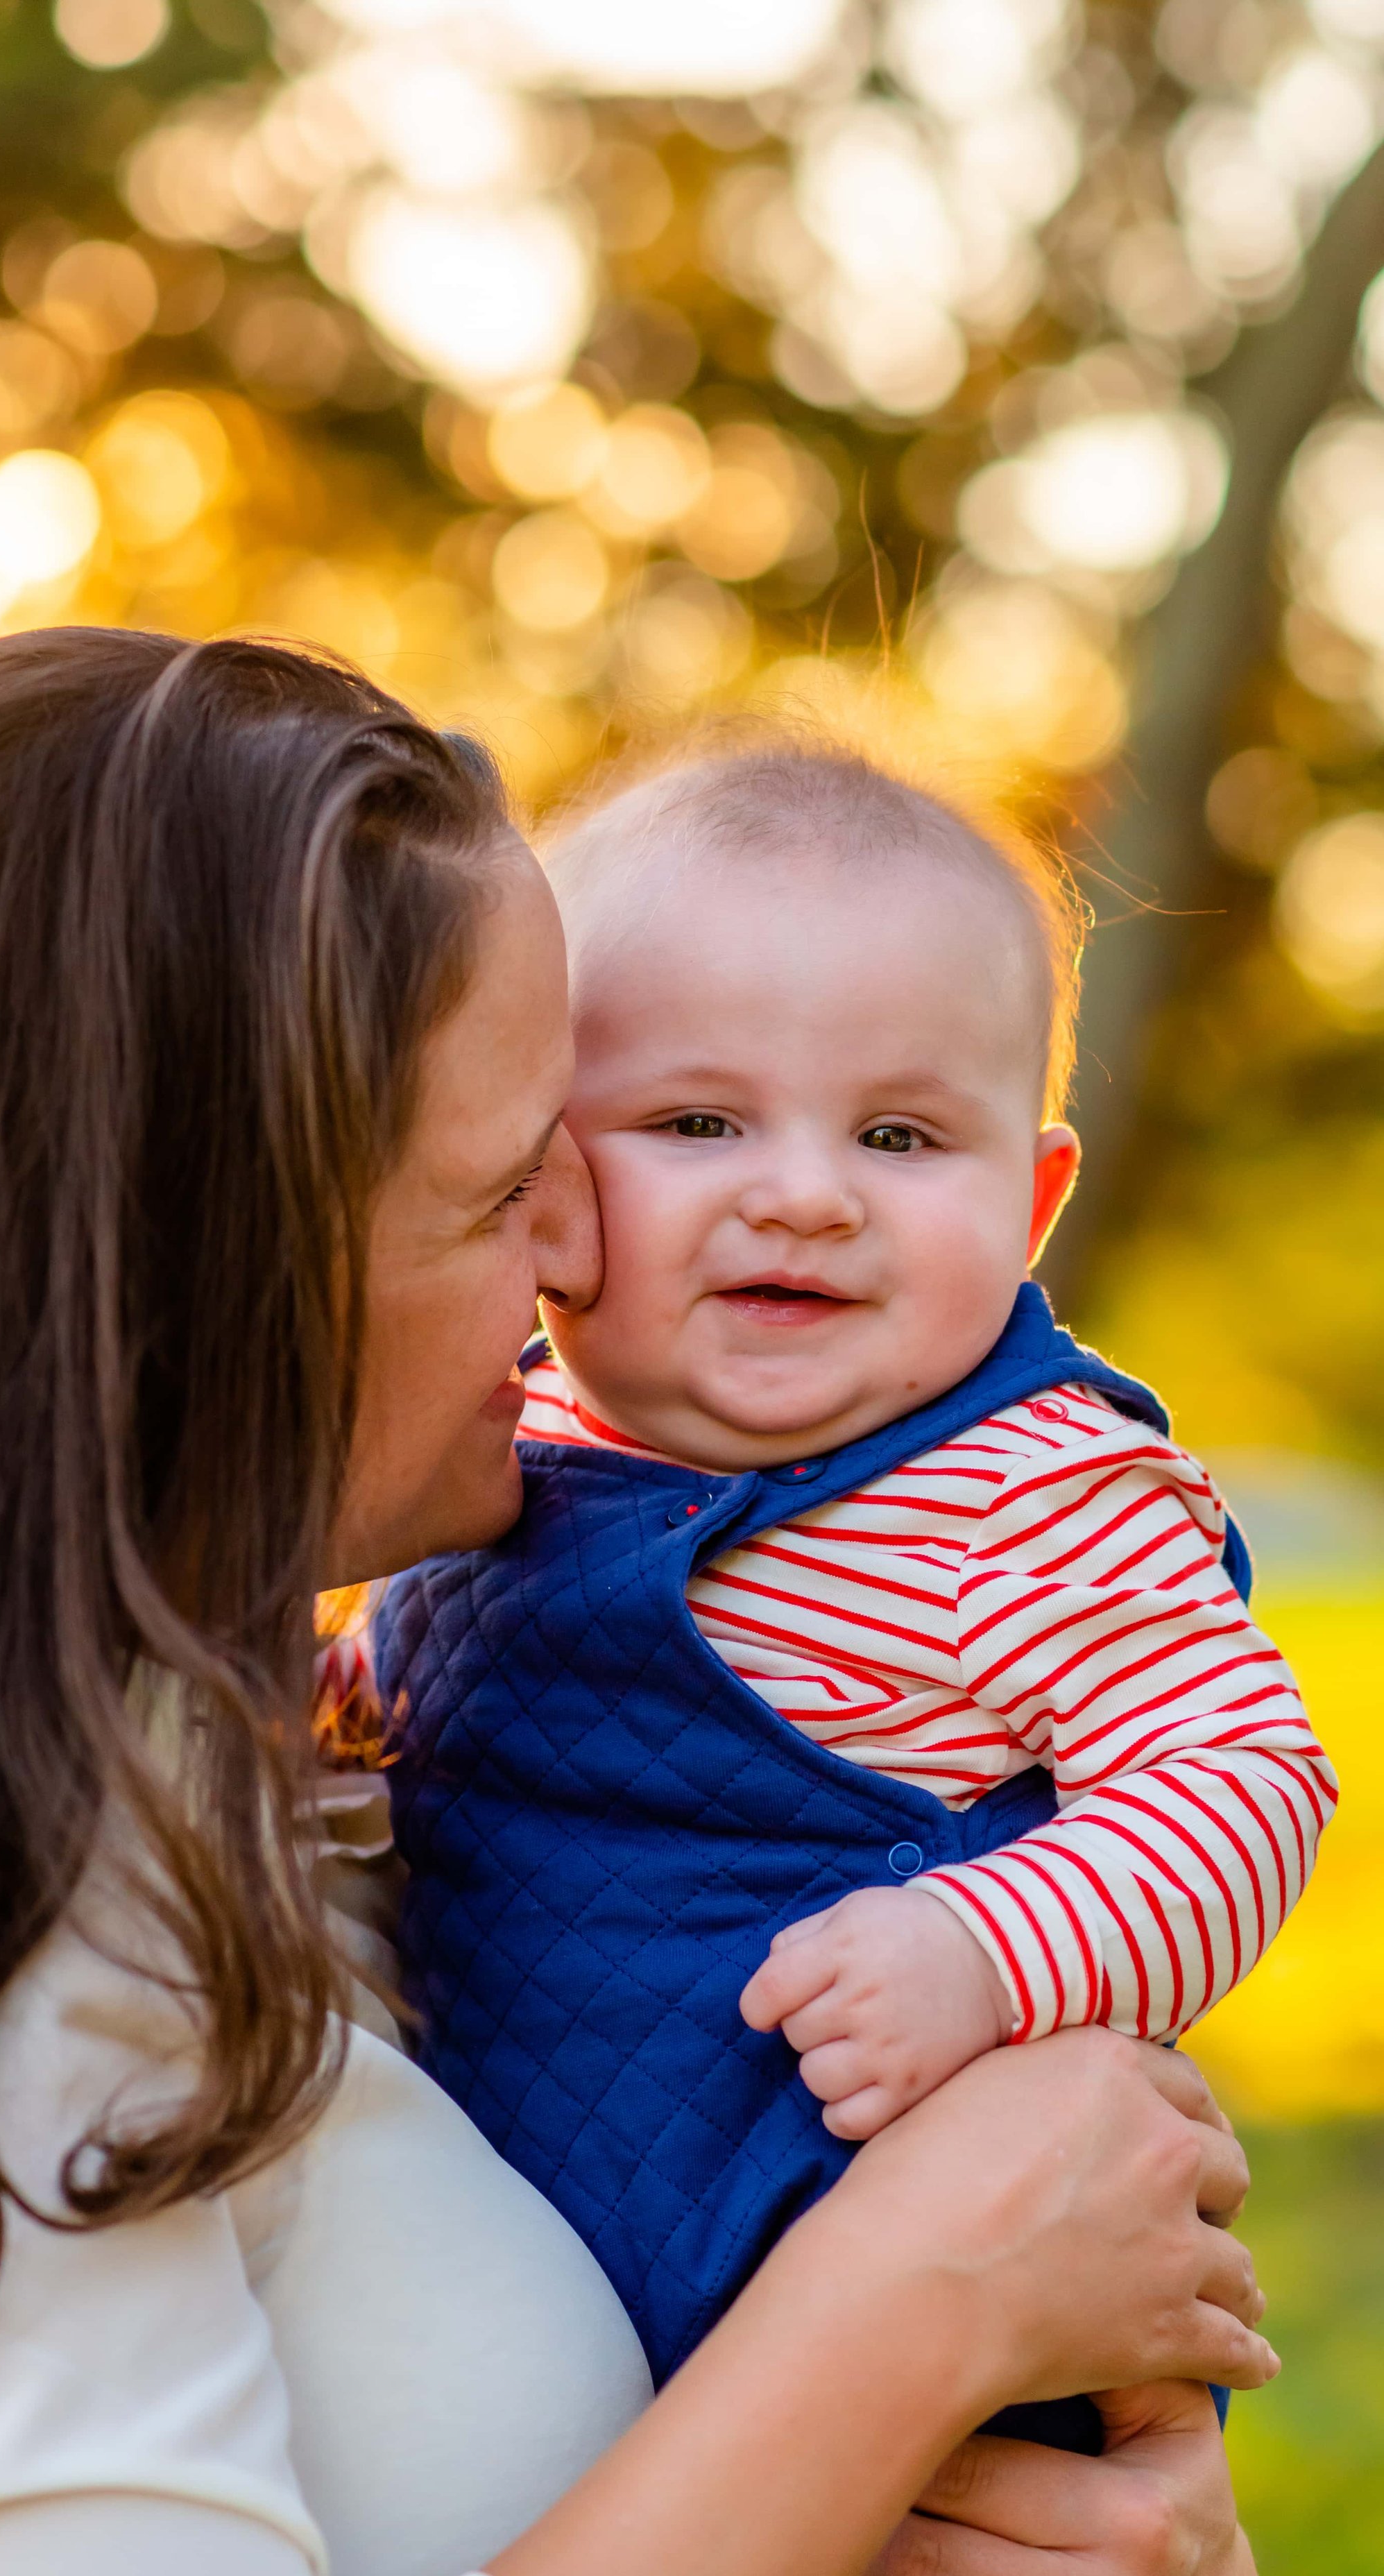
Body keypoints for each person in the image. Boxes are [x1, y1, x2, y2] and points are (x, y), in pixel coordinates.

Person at [0, 630, 1270, 2576]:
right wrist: (915, 2306)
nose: (592, 1253)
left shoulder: (232, 1767)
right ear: (219, 1245)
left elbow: (1222, 1773)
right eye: (521, 1179)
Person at [375, 744, 1331, 2440]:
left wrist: (984, 1944)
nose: (805, 1193)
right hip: (545, 2318)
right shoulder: (471, 1434)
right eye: (696, 1121)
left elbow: (1246, 1780)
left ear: (1029, 1204)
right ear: (542, 1177)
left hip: (890, 2363)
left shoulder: (1023, 1492)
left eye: (897, 1135)